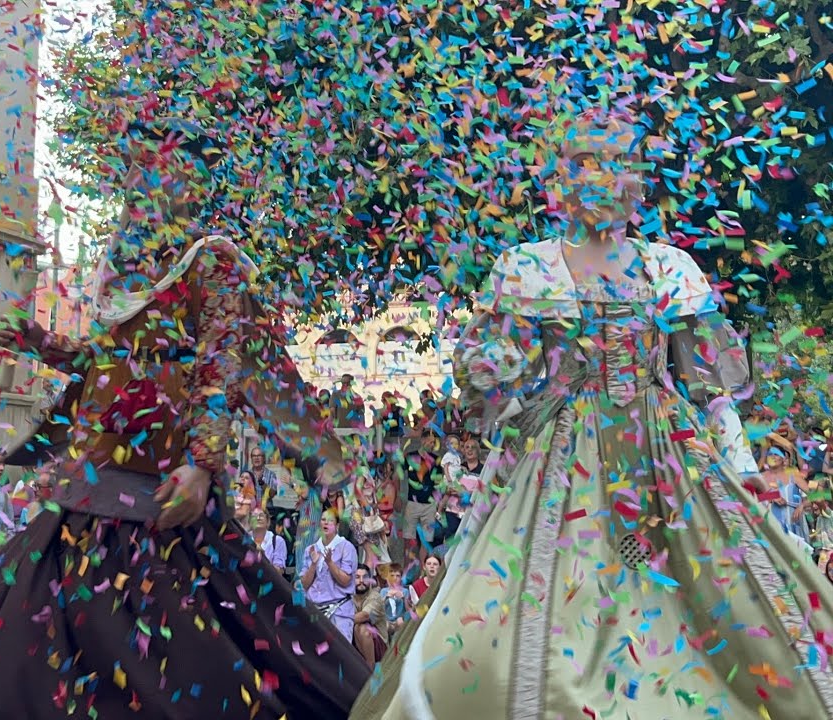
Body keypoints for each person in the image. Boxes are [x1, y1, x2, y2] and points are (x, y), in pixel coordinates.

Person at [351, 107, 833, 719]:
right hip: (559, 469)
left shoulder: (669, 269)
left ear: (638, 181)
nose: (602, 176)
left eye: (617, 162)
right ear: (562, 178)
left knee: (729, 612)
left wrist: (740, 462)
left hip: (668, 464)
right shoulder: (528, 269)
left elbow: (707, 385)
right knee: (504, 635)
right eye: (585, 161)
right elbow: (492, 383)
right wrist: (513, 412)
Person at [0, 117, 367, 719]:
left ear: (189, 180)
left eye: (156, 166)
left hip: (161, 503)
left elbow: (221, 364)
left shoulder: (210, 261)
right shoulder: (128, 273)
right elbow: (109, 367)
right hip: (87, 498)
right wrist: (46, 347)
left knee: (181, 673)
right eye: (135, 167)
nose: (140, 180)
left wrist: (201, 464)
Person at [299, 511, 357, 642]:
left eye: (330, 520)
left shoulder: (347, 547)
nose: (325, 522)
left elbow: (346, 581)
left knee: (341, 654)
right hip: (314, 610)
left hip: (339, 610)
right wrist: (313, 565)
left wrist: (330, 562)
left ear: (337, 525)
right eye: (323, 519)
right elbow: (304, 584)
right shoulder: (311, 549)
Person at [351, 564, 387, 665]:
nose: (361, 581)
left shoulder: (375, 597)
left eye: (365, 577)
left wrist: (342, 620)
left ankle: (370, 668)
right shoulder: (349, 596)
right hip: (356, 644)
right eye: (357, 577)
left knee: (361, 627)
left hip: (379, 648)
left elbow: (365, 616)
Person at [249, 506, 287, 572]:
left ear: (267, 521)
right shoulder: (244, 538)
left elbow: (280, 572)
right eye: (254, 516)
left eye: (261, 515)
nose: (258, 518)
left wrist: (263, 558)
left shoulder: (278, 541)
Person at [379, 563, 407, 639]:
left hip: (400, 619)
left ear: (401, 577)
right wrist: (386, 597)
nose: (395, 578)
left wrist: (404, 598)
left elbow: (409, 609)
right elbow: (379, 608)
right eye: (392, 575)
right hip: (387, 620)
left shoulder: (405, 591)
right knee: (386, 625)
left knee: (400, 622)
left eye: (397, 576)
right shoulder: (383, 591)